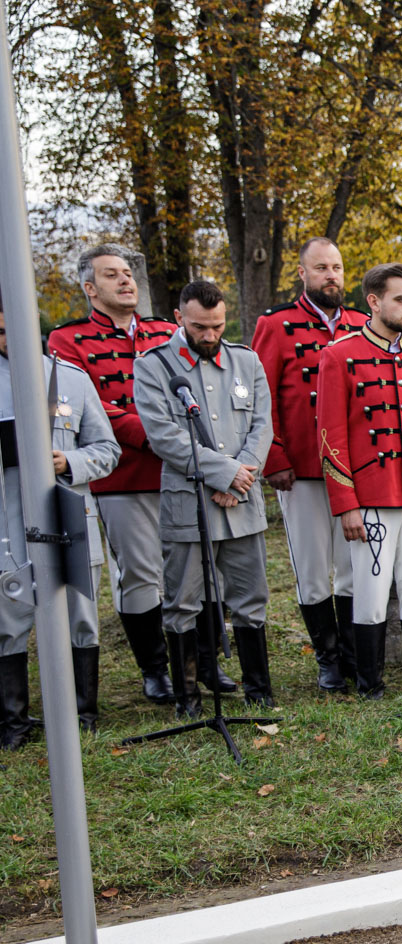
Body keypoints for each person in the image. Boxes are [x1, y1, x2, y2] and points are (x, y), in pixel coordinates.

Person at [132, 280, 277, 713]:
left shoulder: (245, 360)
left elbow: (262, 425)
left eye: (217, 326)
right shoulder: (153, 365)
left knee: (252, 597)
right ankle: (188, 698)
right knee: (183, 602)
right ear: (179, 318)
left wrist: (241, 478)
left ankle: (259, 690)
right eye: (200, 327)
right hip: (189, 504)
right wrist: (227, 474)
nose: (210, 336)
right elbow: (164, 437)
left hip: (242, 503)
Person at [47, 243, 184, 704]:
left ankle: (193, 664)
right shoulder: (68, 340)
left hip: (182, 468)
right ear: (90, 288)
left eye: (128, 273)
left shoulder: (168, 331)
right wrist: (154, 434)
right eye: (112, 275)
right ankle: (154, 669)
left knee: (189, 571)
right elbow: (89, 407)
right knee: (142, 574)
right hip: (123, 473)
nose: (126, 281)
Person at [315, 263, 402, 697]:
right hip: (372, 497)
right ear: (374, 302)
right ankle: (370, 683)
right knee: (371, 594)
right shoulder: (339, 355)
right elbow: (330, 436)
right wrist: (346, 503)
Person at [0, 295, 120, 745]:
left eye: (18, 327)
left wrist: (66, 461)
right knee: (8, 619)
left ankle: (80, 717)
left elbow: (107, 450)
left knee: (80, 615)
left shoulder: (70, 378)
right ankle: (13, 723)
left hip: (69, 515)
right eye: (2, 331)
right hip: (9, 520)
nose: (11, 340)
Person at [253, 237, 369, 692]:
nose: (331, 276)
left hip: (356, 470)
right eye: (321, 268)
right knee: (312, 564)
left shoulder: (362, 324)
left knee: (352, 563)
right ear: (302, 274)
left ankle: (355, 654)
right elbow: (262, 398)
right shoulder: (277, 325)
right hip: (300, 467)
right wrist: (274, 456)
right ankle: (328, 659)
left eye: (337, 267)